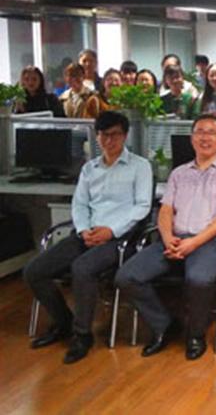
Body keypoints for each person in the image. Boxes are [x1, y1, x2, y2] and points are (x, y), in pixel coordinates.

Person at [24, 111, 152, 364]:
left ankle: (82, 335)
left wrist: (110, 230)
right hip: (86, 234)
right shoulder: (89, 169)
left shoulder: (140, 166)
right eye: (104, 135)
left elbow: (142, 207)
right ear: (97, 136)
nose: (109, 140)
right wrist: (84, 230)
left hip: (119, 239)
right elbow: (79, 205)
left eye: (115, 135)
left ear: (125, 135)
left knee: (82, 269)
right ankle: (64, 323)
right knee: (34, 271)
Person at [115, 115, 216, 361]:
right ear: (192, 138)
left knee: (199, 280)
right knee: (126, 276)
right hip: (172, 240)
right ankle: (164, 325)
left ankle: (195, 335)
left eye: (211, 133)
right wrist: (167, 238)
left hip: (208, 242)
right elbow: (165, 211)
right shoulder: (178, 173)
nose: (205, 138)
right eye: (200, 132)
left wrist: (193, 243)